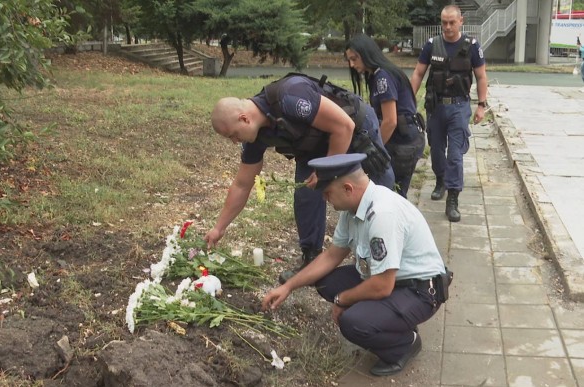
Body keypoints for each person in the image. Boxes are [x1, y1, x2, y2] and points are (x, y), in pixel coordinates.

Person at [261, 153, 448, 376]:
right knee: (325, 282)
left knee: (353, 323)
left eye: (328, 193)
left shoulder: (382, 214)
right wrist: (288, 286)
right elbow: (331, 256)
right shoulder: (354, 208)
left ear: (348, 188)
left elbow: (382, 286)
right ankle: (390, 320)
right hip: (391, 280)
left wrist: (342, 300)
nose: (325, 199)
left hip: (419, 291)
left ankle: (405, 344)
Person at [205, 74, 395, 283]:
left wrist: (325, 174)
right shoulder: (254, 137)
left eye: (232, 135)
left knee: (375, 194)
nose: (234, 141)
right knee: (306, 194)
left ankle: (389, 261)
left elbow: (344, 127)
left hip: (356, 127)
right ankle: (312, 259)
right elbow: (242, 184)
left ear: (244, 119)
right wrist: (218, 228)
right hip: (314, 143)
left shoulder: (291, 97)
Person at [410, 5, 488, 222]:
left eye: (452, 22)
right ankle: (440, 180)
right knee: (435, 149)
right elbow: (418, 73)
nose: (448, 26)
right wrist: (408, 101)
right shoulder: (431, 45)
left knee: (455, 154)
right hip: (436, 107)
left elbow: (481, 77)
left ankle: (453, 197)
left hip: (459, 107)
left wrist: (481, 105)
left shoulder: (471, 46)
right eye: (444, 22)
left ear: (461, 21)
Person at [346, 34, 426, 198]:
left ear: (366, 53)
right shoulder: (377, 74)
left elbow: (390, 121)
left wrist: (374, 150)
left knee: (393, 198)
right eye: (349, 60)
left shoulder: (383, 77)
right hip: (405, 139)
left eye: (354, 58)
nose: (352, 64)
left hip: (403, 144)